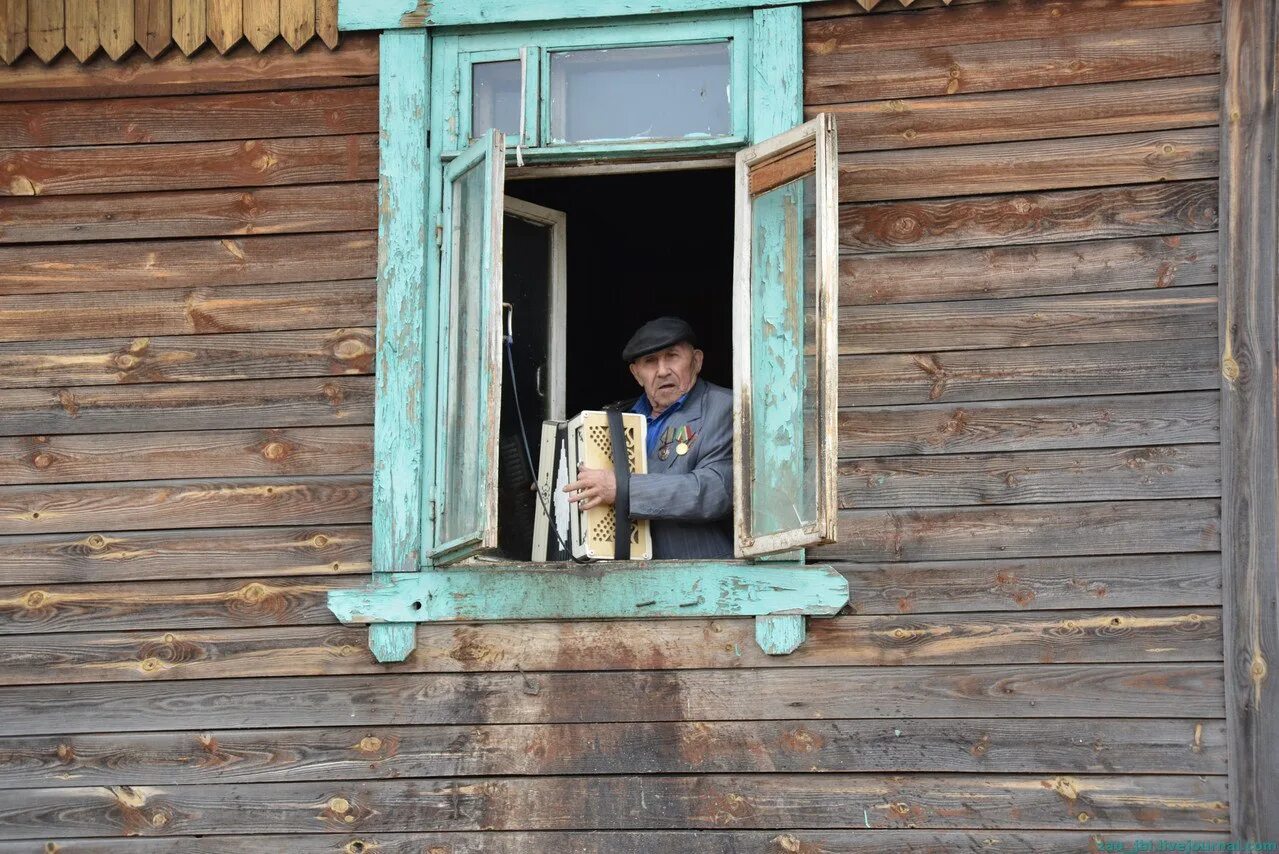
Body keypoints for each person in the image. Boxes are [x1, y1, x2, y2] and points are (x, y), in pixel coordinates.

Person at [563, 316, 733, 559]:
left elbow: (713, 492)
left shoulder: (726, 407)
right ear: (636, 373)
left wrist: (622, 489)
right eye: (650, 362)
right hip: (620, 578)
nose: (662, 371)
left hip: (702, 578)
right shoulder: (614, 418)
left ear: (696, 361)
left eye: (672, 356)